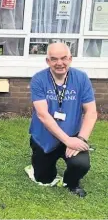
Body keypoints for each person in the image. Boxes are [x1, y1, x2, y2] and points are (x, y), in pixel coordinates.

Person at [27, 42, 97, 197]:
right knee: (44, 179)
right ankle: (37, 167)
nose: (59, 63)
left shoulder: (81, 78)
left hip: (73, 134)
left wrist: (80, 138)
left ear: (70, 59)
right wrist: (67, 140)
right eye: (54, 59)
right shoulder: (38, 79)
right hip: (44, 137)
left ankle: (70, 182)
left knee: (80, 164)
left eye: (64, 58)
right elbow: (43, 115)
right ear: (48, 61)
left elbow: (91, 112)